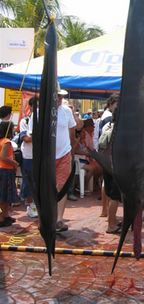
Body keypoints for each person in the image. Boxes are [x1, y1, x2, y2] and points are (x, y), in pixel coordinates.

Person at [55, 88, 76, 232]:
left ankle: (59, 219)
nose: (60, 99)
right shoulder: (39, 111)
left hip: (64, 153)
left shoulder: (66, 111)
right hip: (47, 157)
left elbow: (72, 131)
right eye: (57, 96)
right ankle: (47, 217)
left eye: (61, 96)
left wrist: (71, 150)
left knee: (62, 187)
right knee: (47, 187)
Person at [20, 96, 38, 218]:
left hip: (40, 156)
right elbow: (26, 139)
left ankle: (36, 205)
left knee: (38, 182)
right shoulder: (25, 121)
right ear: (31, 107)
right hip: (28, 156)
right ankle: (30, 205)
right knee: (29, 182)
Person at [0, 121, 19, 227]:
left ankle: (5, 215)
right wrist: (15, 163)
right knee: (4, 194)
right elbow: (3, 157)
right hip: (5, 170)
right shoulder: (6, 142)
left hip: (4, 169)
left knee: (5, 194)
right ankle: (2, 217)